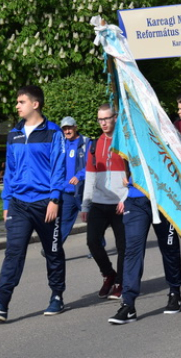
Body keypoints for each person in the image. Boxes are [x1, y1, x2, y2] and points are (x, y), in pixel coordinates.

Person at [0, 85, 67, 323]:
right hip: (18, 204)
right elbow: (10, 172)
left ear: (35, 104)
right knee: (13, 253)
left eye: (21, 102)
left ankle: (57, 295)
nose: (17, 106)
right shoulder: (14, 134)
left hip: (46, 202)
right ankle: (1, 305)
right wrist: (6, 202)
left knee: (53, 252)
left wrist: (55, 199)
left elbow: (59, 169)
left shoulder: (53, 133)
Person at [108, 177, 181, 324]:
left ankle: (175, 291)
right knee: (132, 251)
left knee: (169, 247)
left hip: (163, 197)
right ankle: (128, 304)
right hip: (136, 199)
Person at [82, 104, 128, 300]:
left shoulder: (125, 142)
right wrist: (85, 204)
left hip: (120, 203)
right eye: (100, 119)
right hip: (99, 203)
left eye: (106, 119)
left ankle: (121, 282)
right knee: (92, 241)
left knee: (123, 247)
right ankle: (108, 274)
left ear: (115, 118)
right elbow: (90, 177)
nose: (103, 123)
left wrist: (127, 198)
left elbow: (135, 173)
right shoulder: (94, 144)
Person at [59, 117, 90, 244]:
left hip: (83, 191)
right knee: (63, 223)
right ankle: (53, 249)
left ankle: (98, 248)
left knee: (91, 222)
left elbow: (91, 165)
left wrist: (79, 176)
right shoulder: (61, 144)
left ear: (75, 127)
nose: (67, 131)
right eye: (64, 129)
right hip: (67, 192)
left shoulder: (86, 143)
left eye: (69, 128)